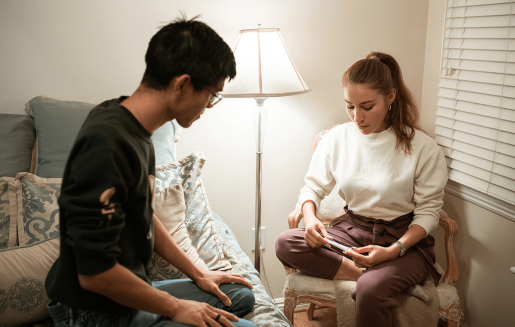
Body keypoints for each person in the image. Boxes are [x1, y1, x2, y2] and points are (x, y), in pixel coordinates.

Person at [45, 15, 257, 327]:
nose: (209, 106)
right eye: (212, 95)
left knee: (238, 294)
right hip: (93, 310)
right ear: (182, 85)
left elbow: (142, 213)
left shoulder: (136, 127)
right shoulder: (106, 144)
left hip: (126, 292)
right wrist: (176, 308)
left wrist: (199, 273)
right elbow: (94, 274)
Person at [275, 51, 448, 327]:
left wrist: (394, 251)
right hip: (352, 231)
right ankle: (379, 278)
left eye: (367, 107)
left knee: (370, 289)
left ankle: (378, 279)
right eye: (350, 106)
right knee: (286, 242)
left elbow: (428, 214)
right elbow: (312, 188)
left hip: (404, 240)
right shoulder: (336, 138)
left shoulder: (423, 148)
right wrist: (310, 219)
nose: (357, 117)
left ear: (390, 97)